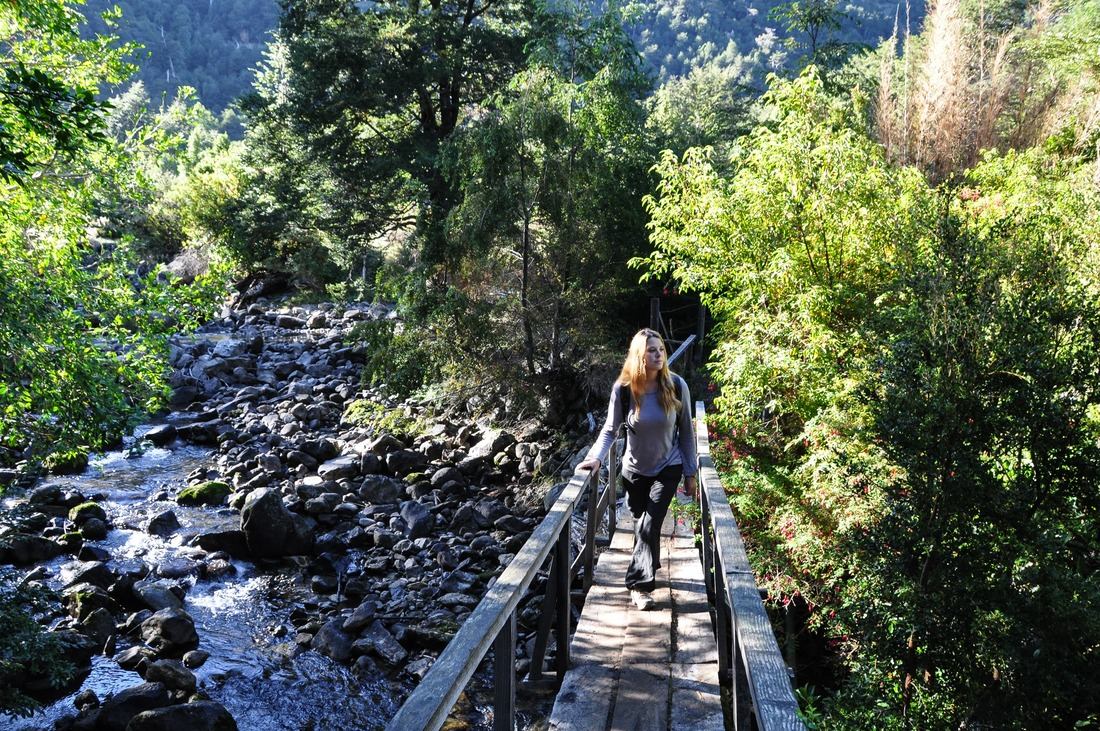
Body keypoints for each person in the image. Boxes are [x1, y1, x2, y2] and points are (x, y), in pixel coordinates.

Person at [579, 328, 697, 611]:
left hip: (669, 467)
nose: (658, 355)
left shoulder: (677, 385)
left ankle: (639, 586)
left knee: (649, 523)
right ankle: (650, 560)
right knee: (641, 523)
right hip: (634, 471)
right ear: (639, 355)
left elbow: (686, 433)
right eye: (652, 350)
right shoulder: (624, 390)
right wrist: (595, 457)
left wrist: (690, 474)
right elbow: (610, 430)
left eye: (661, 350)